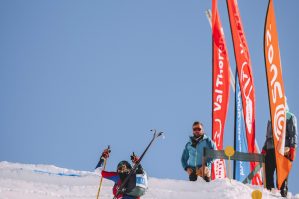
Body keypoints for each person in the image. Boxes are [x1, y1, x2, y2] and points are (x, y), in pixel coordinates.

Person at [261, 105, 297, 197]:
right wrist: (264, 148)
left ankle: (283, 192)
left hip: (283, 148)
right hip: (270, 149)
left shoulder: (289, 116)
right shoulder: (271, 118)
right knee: (268, 172)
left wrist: (292, 147)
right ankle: (269, 192)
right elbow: (268, 136)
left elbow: (293, 134)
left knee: (282, 173)